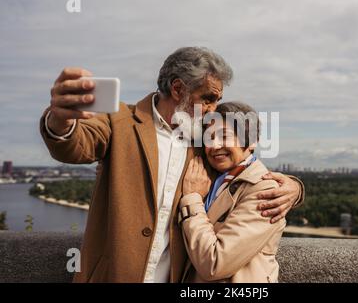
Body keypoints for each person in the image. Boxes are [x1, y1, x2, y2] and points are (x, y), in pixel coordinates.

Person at [40, 47, 305, 282]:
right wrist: (60, 120)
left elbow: (244, 165)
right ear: (178, 89)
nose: (214, 108)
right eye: (209, 98)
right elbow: (75, 145)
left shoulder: (204, 139)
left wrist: (293, 187)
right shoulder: (119, 119)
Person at [180, 102, 288, 282]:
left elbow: (215, 264)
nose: (214, 145)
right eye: (209, 138)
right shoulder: (212, 178)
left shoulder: (265, 190)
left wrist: (192, 199)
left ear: (252, 141)